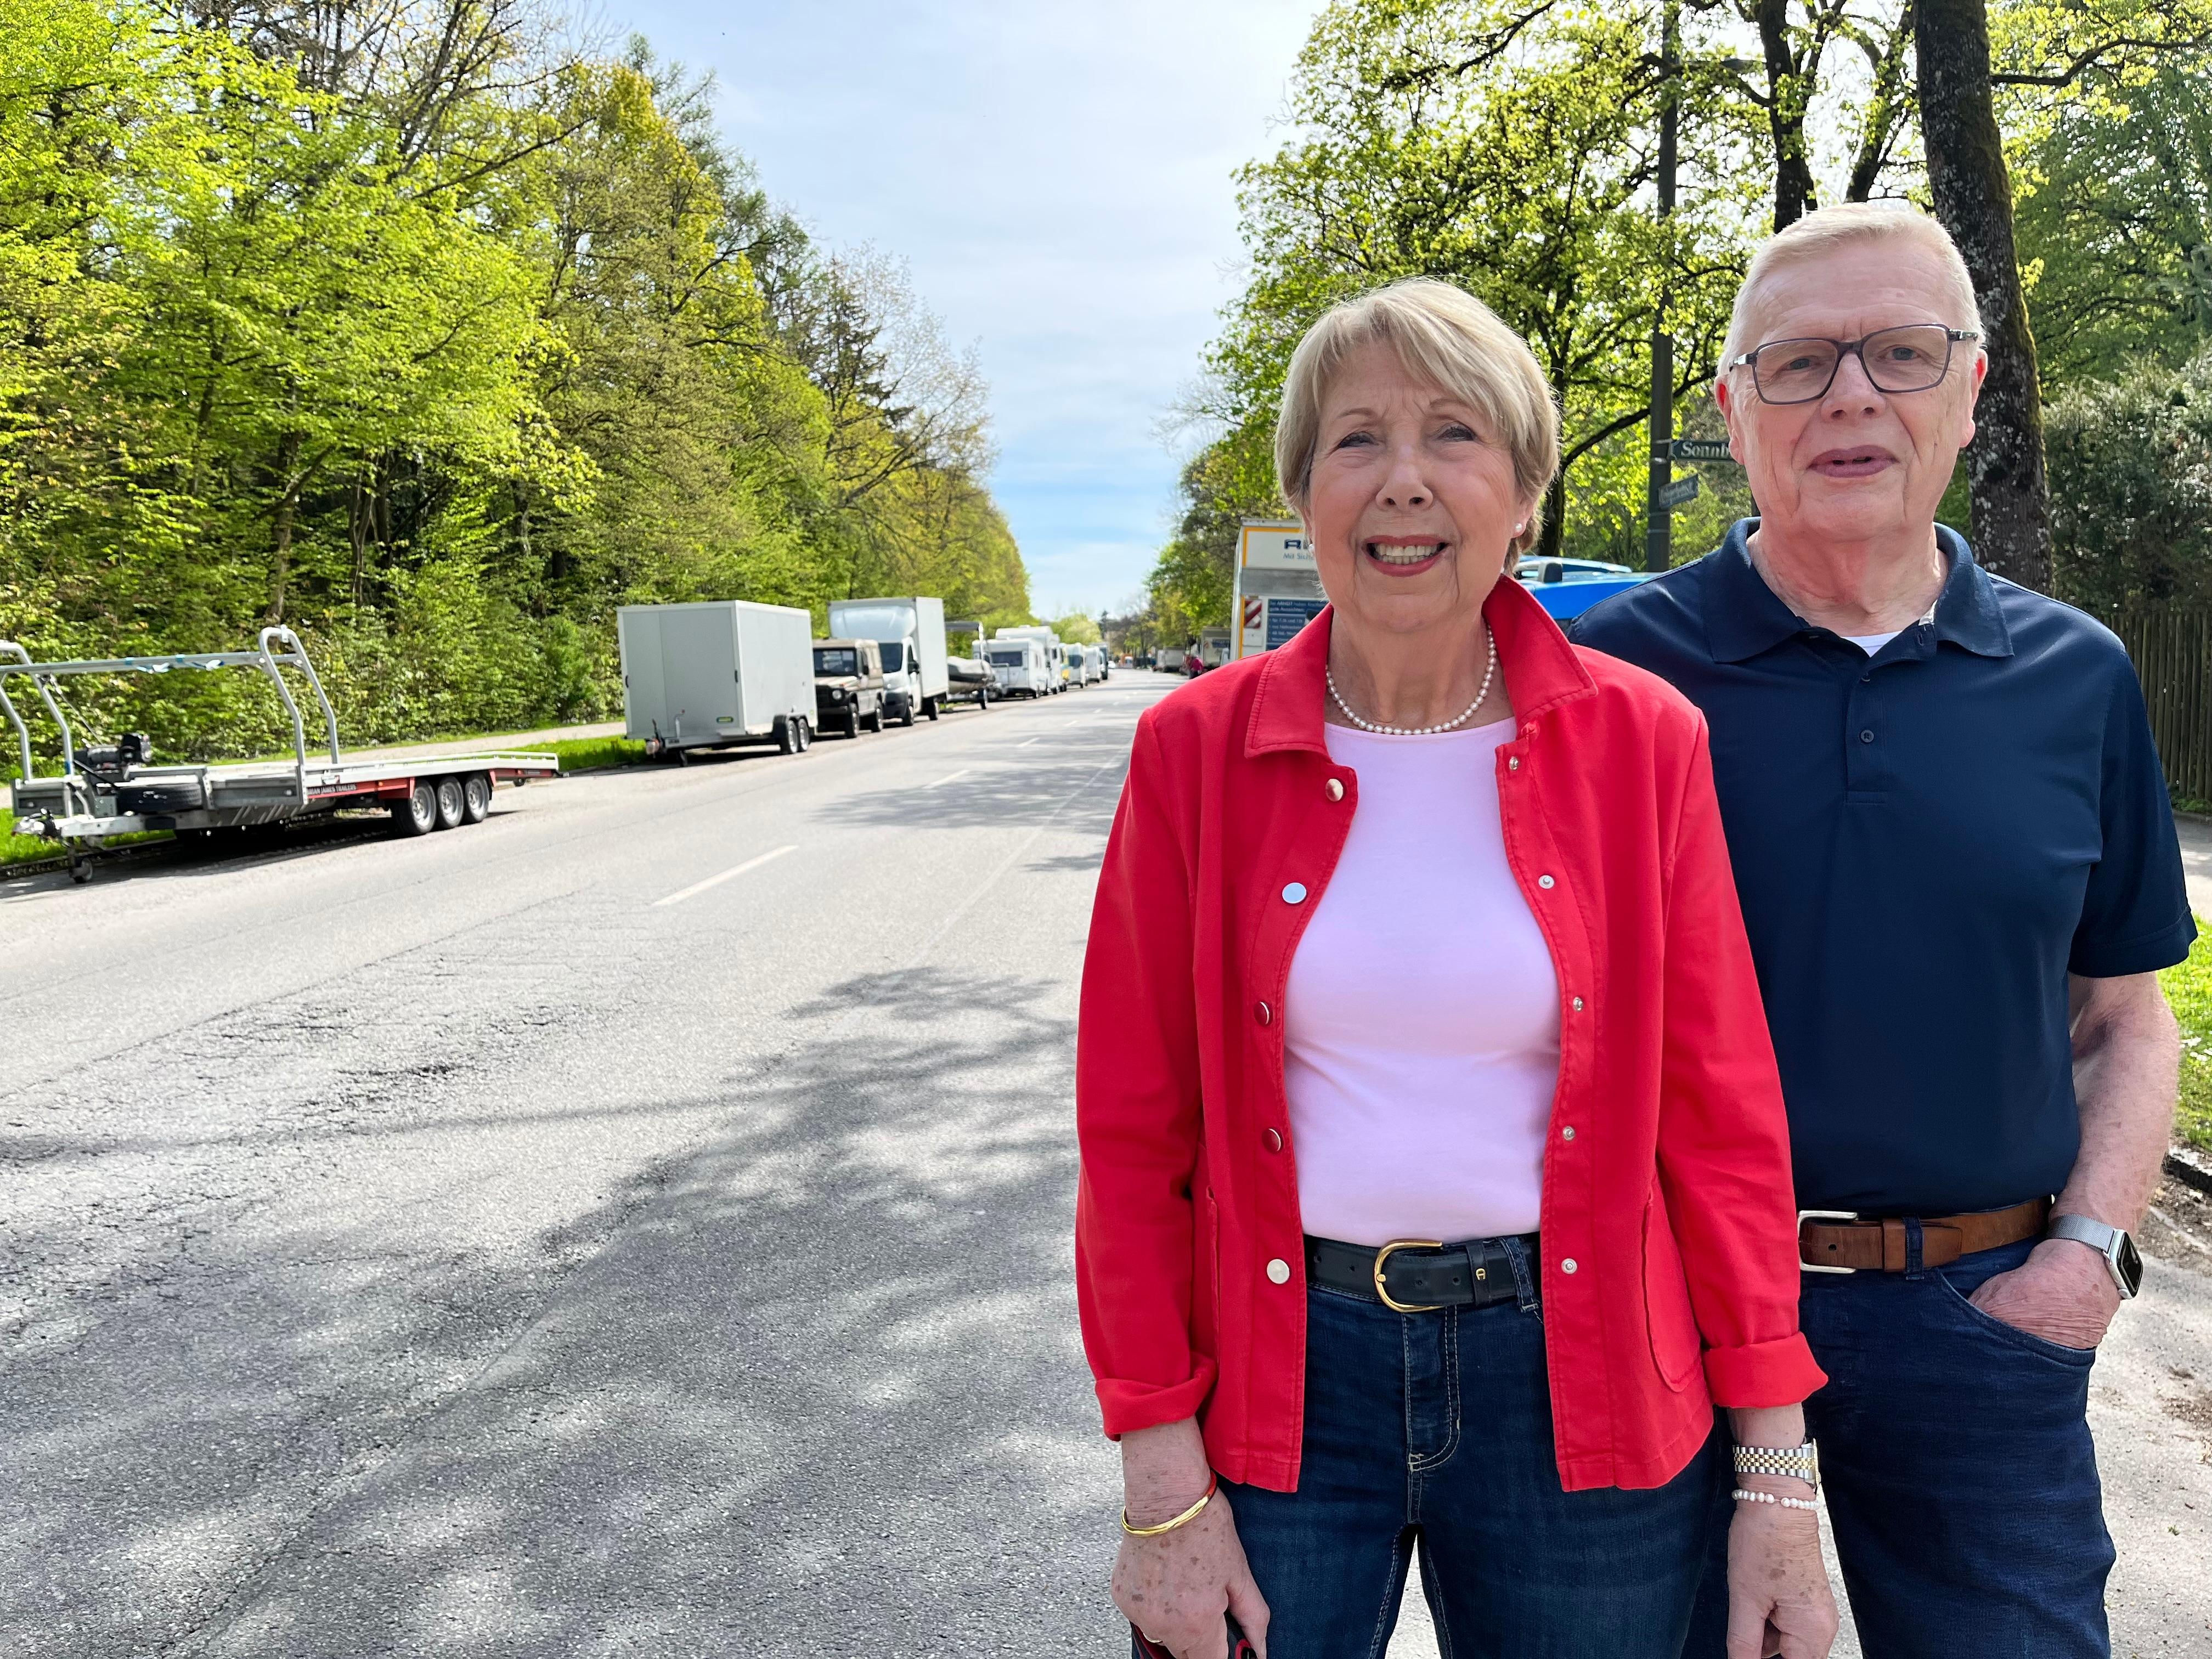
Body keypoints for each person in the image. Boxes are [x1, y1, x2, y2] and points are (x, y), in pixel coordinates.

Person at [1074, 277, 1838, 1659]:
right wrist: (1159, 1475)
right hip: (1281, 1383)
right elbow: (1134, 1138)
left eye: (1455, 435)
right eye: (1356, 440)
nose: (1404, 482)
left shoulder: (1641, 743)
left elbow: (1721, 1121)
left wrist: (1777, 1478)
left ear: (1526, 488)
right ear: (1305, 495)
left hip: (1585, 1376)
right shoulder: (1192, 752)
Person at [1572, 202, 2195, 1658]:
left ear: (1972, 393)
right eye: (1798, 364)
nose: (1852, 394)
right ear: (1734, 412)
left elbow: (2125, 1015)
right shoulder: (1611, 679)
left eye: (1902, 352)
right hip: (1669, 1322)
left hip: (1985, 1319)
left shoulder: (2077, 677)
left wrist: (2089, 1256)